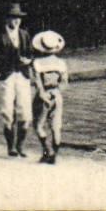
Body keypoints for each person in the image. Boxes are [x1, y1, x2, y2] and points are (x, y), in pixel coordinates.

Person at [0, 2, 35, 157]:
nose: (16, 21)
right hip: (6, 76)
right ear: (6, 20)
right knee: (7, 111)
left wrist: (28, 60)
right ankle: (11, 146)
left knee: (25, 111)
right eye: (13, 18)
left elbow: (30, 53)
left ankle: (20, 145)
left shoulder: (24, 34)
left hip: (22, 75)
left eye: (18, 18)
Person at [30, 30, 70, 164]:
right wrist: (56, 92)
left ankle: (47, 150)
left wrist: (43, 94)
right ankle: (54, 155)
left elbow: (38, 83)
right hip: (56, 95)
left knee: (38, 124)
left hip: (44, 95)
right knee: (55, 126)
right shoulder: (61, 63)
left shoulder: (37, 63)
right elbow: (64, 83)